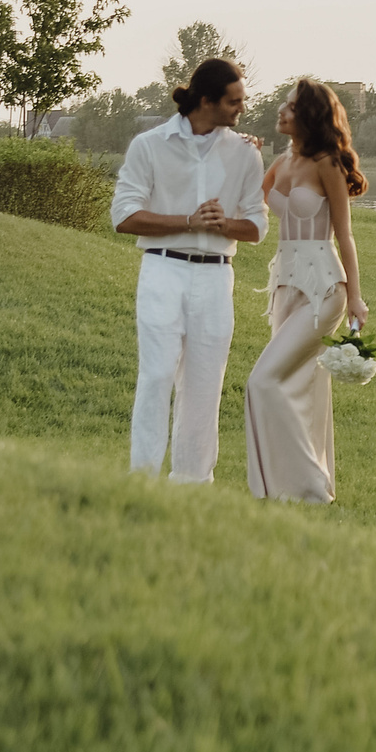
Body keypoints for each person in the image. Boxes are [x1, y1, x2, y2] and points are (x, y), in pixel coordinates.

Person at [111, 58, 267, 482]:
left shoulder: (245, 153)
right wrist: (187, 221)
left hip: (217, 277)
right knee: (158, 374)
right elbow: (123, 217)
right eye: (234, 102)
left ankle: (192, 485)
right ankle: (141, 480)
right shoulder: (149, 145)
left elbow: (257, 226)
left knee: (203, 385)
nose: (241, 109)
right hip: (163, 272)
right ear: (206, 100)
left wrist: (223, 224)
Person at [244, 78, 370, 503]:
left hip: (323, 290)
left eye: (291, 105)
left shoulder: (327, 164)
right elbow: (252, 204)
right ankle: (289, 488)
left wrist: (355, 297)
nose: (281, 109)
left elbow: (345, 235)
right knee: (300, 384)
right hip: (284, 286)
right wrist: (247, 155)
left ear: (309, 116)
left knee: (262, 381)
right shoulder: (281, 164)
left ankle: (310, 486)